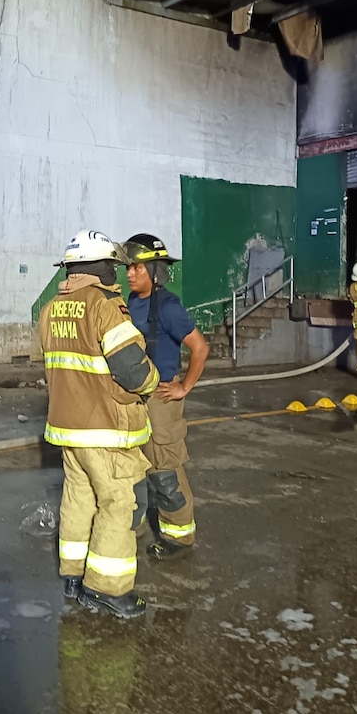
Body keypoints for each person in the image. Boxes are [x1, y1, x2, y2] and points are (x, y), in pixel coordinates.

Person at [39, 229, 159, 619]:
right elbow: (130, 368)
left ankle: (73, 577)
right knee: (118, 503)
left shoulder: (51, 309)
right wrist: (152, 382)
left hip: (68, 429)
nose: (118, 275)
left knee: (78, 498)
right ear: (101, 266)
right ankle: (106, 589)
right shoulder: (104, 305)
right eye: (114, 266)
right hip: (106, 429)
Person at [123, 234, 210, 560]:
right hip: (135, 399)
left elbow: (200, 349)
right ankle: (137, 525)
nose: (130, 274)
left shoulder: (169, 307)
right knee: (136, 466)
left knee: (164, 470)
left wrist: (183, 387)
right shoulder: (131, 302)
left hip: (161, 402)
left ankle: (179, 537)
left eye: (137, 268)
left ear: (155, 271)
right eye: (128, 268)